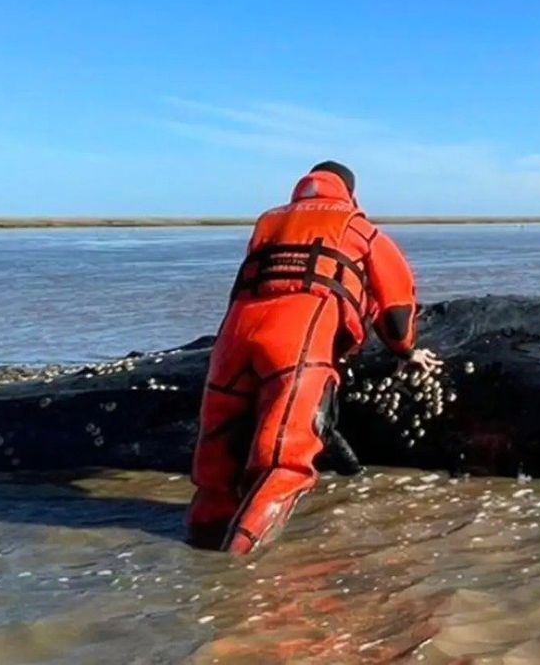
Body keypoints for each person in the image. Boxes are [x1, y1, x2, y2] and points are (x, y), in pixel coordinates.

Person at [185, 161, 440, 555]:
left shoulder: (267, 223)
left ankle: (196, 549)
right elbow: (397, 304)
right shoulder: (357, 226)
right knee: (285, 461)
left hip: (232, 341)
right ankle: (236, 577)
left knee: (216, 462)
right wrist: (405, 350)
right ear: (350, 193)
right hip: (298, 341)